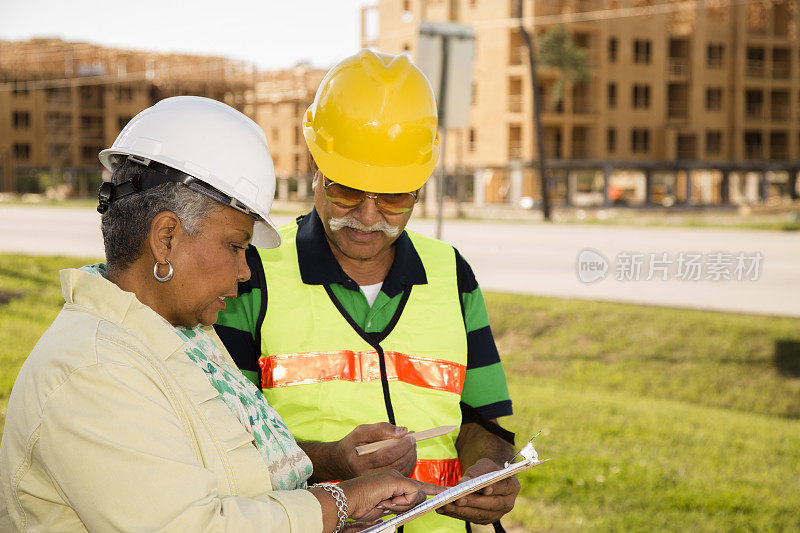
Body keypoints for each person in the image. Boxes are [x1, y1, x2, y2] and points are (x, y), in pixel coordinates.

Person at [0, 96, 428, 533]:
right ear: (166, 238)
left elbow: (237, 487)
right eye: (235, 245)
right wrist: (338, 502)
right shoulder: (94, 371)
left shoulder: (181, 335)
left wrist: (335, 483)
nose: (244, 270)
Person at [214, 50, 520, 532]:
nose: (369, 216)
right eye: (347, 190)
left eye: (395, 196)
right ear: (314, 161)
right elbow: (219, 444)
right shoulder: (251, 272)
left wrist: (494, 471)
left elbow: (486, 425)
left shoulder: (451, 274)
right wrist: (331, 461)